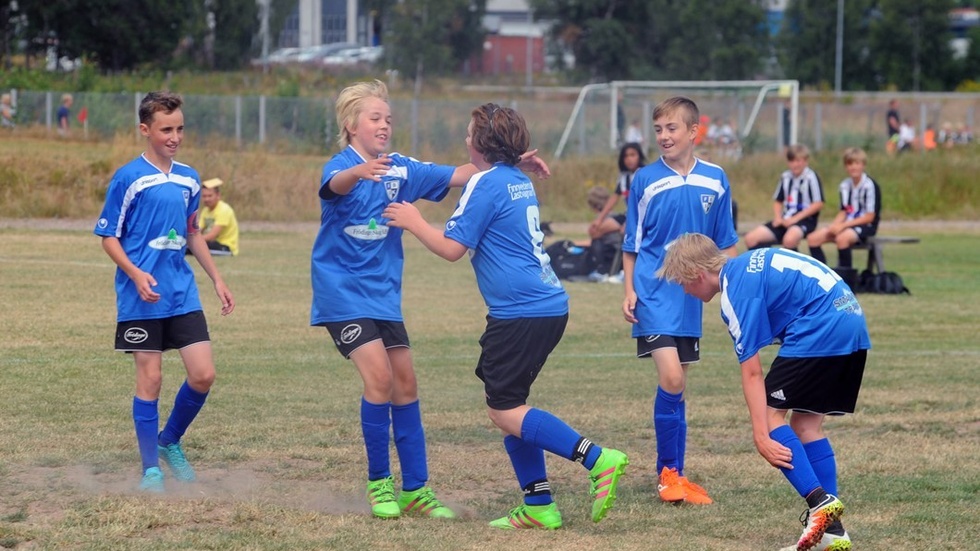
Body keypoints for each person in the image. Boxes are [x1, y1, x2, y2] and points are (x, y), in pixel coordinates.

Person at [310, 81, 550, 521]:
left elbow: (462, 174)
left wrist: (513, 161)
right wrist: (358, 173)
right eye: (374, 118)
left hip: (382, 298)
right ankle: (380, 483)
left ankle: (416, 490)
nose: (384, 124)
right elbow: (332, 186)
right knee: (379, 380)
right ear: (350, 125)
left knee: (406, 385)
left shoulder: (402, 169)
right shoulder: (342, 165)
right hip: (343, 294)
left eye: (387, 118)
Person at [383, 103, 629, 530]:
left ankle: (597, 459)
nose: (464, 138)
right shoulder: (515, 179)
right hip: (545, 305)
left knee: (503, 411)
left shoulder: (486, 183)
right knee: (511, 405)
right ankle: (538, 505)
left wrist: (414, 220)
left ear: (480, 143)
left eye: (467, 133)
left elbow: (452, 249)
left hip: (522, 313)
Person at [658, 233, 868, 551]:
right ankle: (834, 533)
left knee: (772, 420)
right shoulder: (746, 266)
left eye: (682, 283)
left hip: (820, 327)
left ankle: (820, 504)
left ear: (696, 274)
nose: (685, 291)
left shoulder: (735, 293)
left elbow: (753, 372)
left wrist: (760, 434)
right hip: (851, 320)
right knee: (806, 425)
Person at [93, 91, 235, 493]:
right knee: (150, 379)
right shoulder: (129, 178)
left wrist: (216, 279)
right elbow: (108, 236)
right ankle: (150, 468)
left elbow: (192, 232)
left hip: (181, 292)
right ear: (145, 130)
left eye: (180, 129)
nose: (175, 137)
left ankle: (169, 439)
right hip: (141, 296)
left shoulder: (190, 178)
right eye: (166, 129)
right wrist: (136, 274)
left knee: (204, 374)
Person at [621, 96, 738, 505]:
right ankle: (667, 475)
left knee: (680, 385)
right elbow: (631, 243)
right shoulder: (644, 180)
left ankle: (676, 476)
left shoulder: (716, 179)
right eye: (658, 130)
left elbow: (725, 242)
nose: (664, 136)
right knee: (671, 378)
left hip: (692, 297)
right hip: (653, 292)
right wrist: (629, 289)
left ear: (693, 132)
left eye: (672, 129)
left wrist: (736, 289)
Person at [806, 147, 881, 272]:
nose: (853, 167)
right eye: (850, 164)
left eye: (857, 163)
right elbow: (845, 210)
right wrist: (835, 225)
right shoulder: (844, 185)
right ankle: (822, 274)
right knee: (813, 238)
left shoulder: (869, 185)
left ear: (863, 165)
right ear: (846, 166)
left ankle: (847, 279)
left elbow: (870, 216)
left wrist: (843, 225)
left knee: (842, 238)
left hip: (866, 225)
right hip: (847, 223)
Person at [743, 144, 825, 251]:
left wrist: (795, 219)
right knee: (751, 238)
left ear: (805, 161)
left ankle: (793, 267)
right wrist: (778, 218)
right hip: (785, 219)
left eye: (798, 161)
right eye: (791, 161)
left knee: (789, 240)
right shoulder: (785, 177)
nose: (795, 164)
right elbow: (778, 200)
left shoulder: (811, 177)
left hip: (805, 220)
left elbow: (818, 204)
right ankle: (765, 265)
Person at [197, 178, 239, 256]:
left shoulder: (224, 210)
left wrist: (194, 241)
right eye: (204, 196)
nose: (207, 199)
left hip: (225, 247)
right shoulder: (206, 210)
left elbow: (212, 235)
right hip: (211, 243)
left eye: (210, 196)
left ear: (218, 195)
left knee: (195, 248)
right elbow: (198, 230)